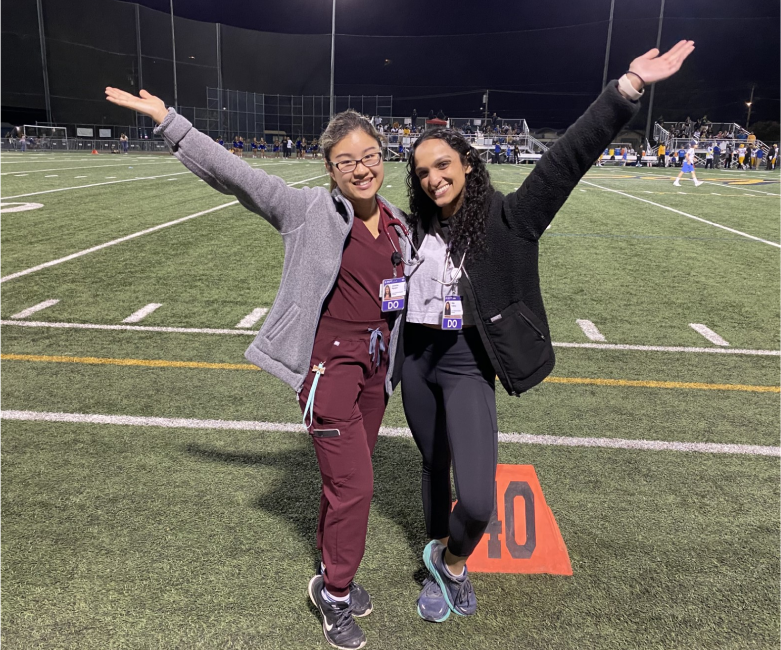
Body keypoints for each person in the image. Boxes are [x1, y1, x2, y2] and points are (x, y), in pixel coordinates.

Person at [105, 87, 414, 650]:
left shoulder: (397, 222)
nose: (361, 168)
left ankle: (329, 575)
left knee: (342, 483)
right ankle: (337, 595)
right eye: (346, 160)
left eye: (369, 155)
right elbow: (237, 176)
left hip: (374, 374)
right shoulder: (307, 212)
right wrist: (170, 122)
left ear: (383, 156)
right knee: (357, 486)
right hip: (329, 372)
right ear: (330, 168)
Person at [401, 40, 694, 623]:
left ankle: (453, 559)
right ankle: (438, 561)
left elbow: (567, 158)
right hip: (415, 364)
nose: (434, 179)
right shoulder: (410, 230)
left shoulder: (512, 219)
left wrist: (628, 88)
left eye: (443, 165)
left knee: (478, 500)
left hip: (464, 368)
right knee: (434, 469)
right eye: (422, 172)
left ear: (466, 164)